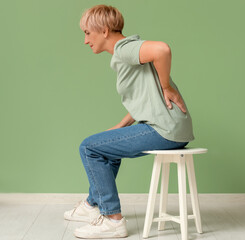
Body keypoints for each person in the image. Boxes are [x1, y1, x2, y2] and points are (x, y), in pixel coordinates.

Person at [63, 4, 194, 239]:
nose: (85, 40)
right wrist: (120, 127)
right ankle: (93, 204)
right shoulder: (125, 53)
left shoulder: (125, 49)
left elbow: (162, 50)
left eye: (87, 33)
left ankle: (113, 219)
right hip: (172, 129)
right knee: (102, 146)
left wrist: (167, 86)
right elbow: (145, 98)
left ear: (104, 30)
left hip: (162, 130)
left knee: (88, 147)